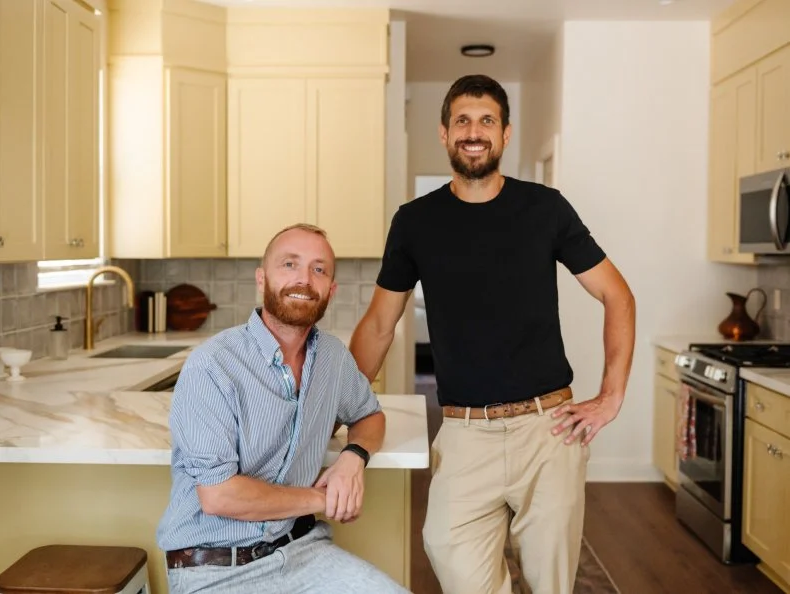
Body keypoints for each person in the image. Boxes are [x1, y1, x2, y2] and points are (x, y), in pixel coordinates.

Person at [350, 74, 636, 594]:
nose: (474, 131)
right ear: (444, 133)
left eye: (487, 121)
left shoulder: (545, 208)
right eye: (462, 120)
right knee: (446, 547)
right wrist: (339, 402)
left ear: (505, 133)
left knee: (551, 584)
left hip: (549, 430)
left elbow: (617, 295)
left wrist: (611, 397)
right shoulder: (415, 222)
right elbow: (378, 325)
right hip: (464, 433)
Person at [156, 223, 408, 594]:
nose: (303, 279)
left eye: (318, 269)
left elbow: (369, 415)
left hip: (303, 553)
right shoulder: (212, 365)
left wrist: (353, 458)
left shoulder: (333, 358)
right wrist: (325, 499)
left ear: (330, 290)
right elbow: (219, 494)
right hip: (215, 569)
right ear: (262, 278)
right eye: (289, 264)